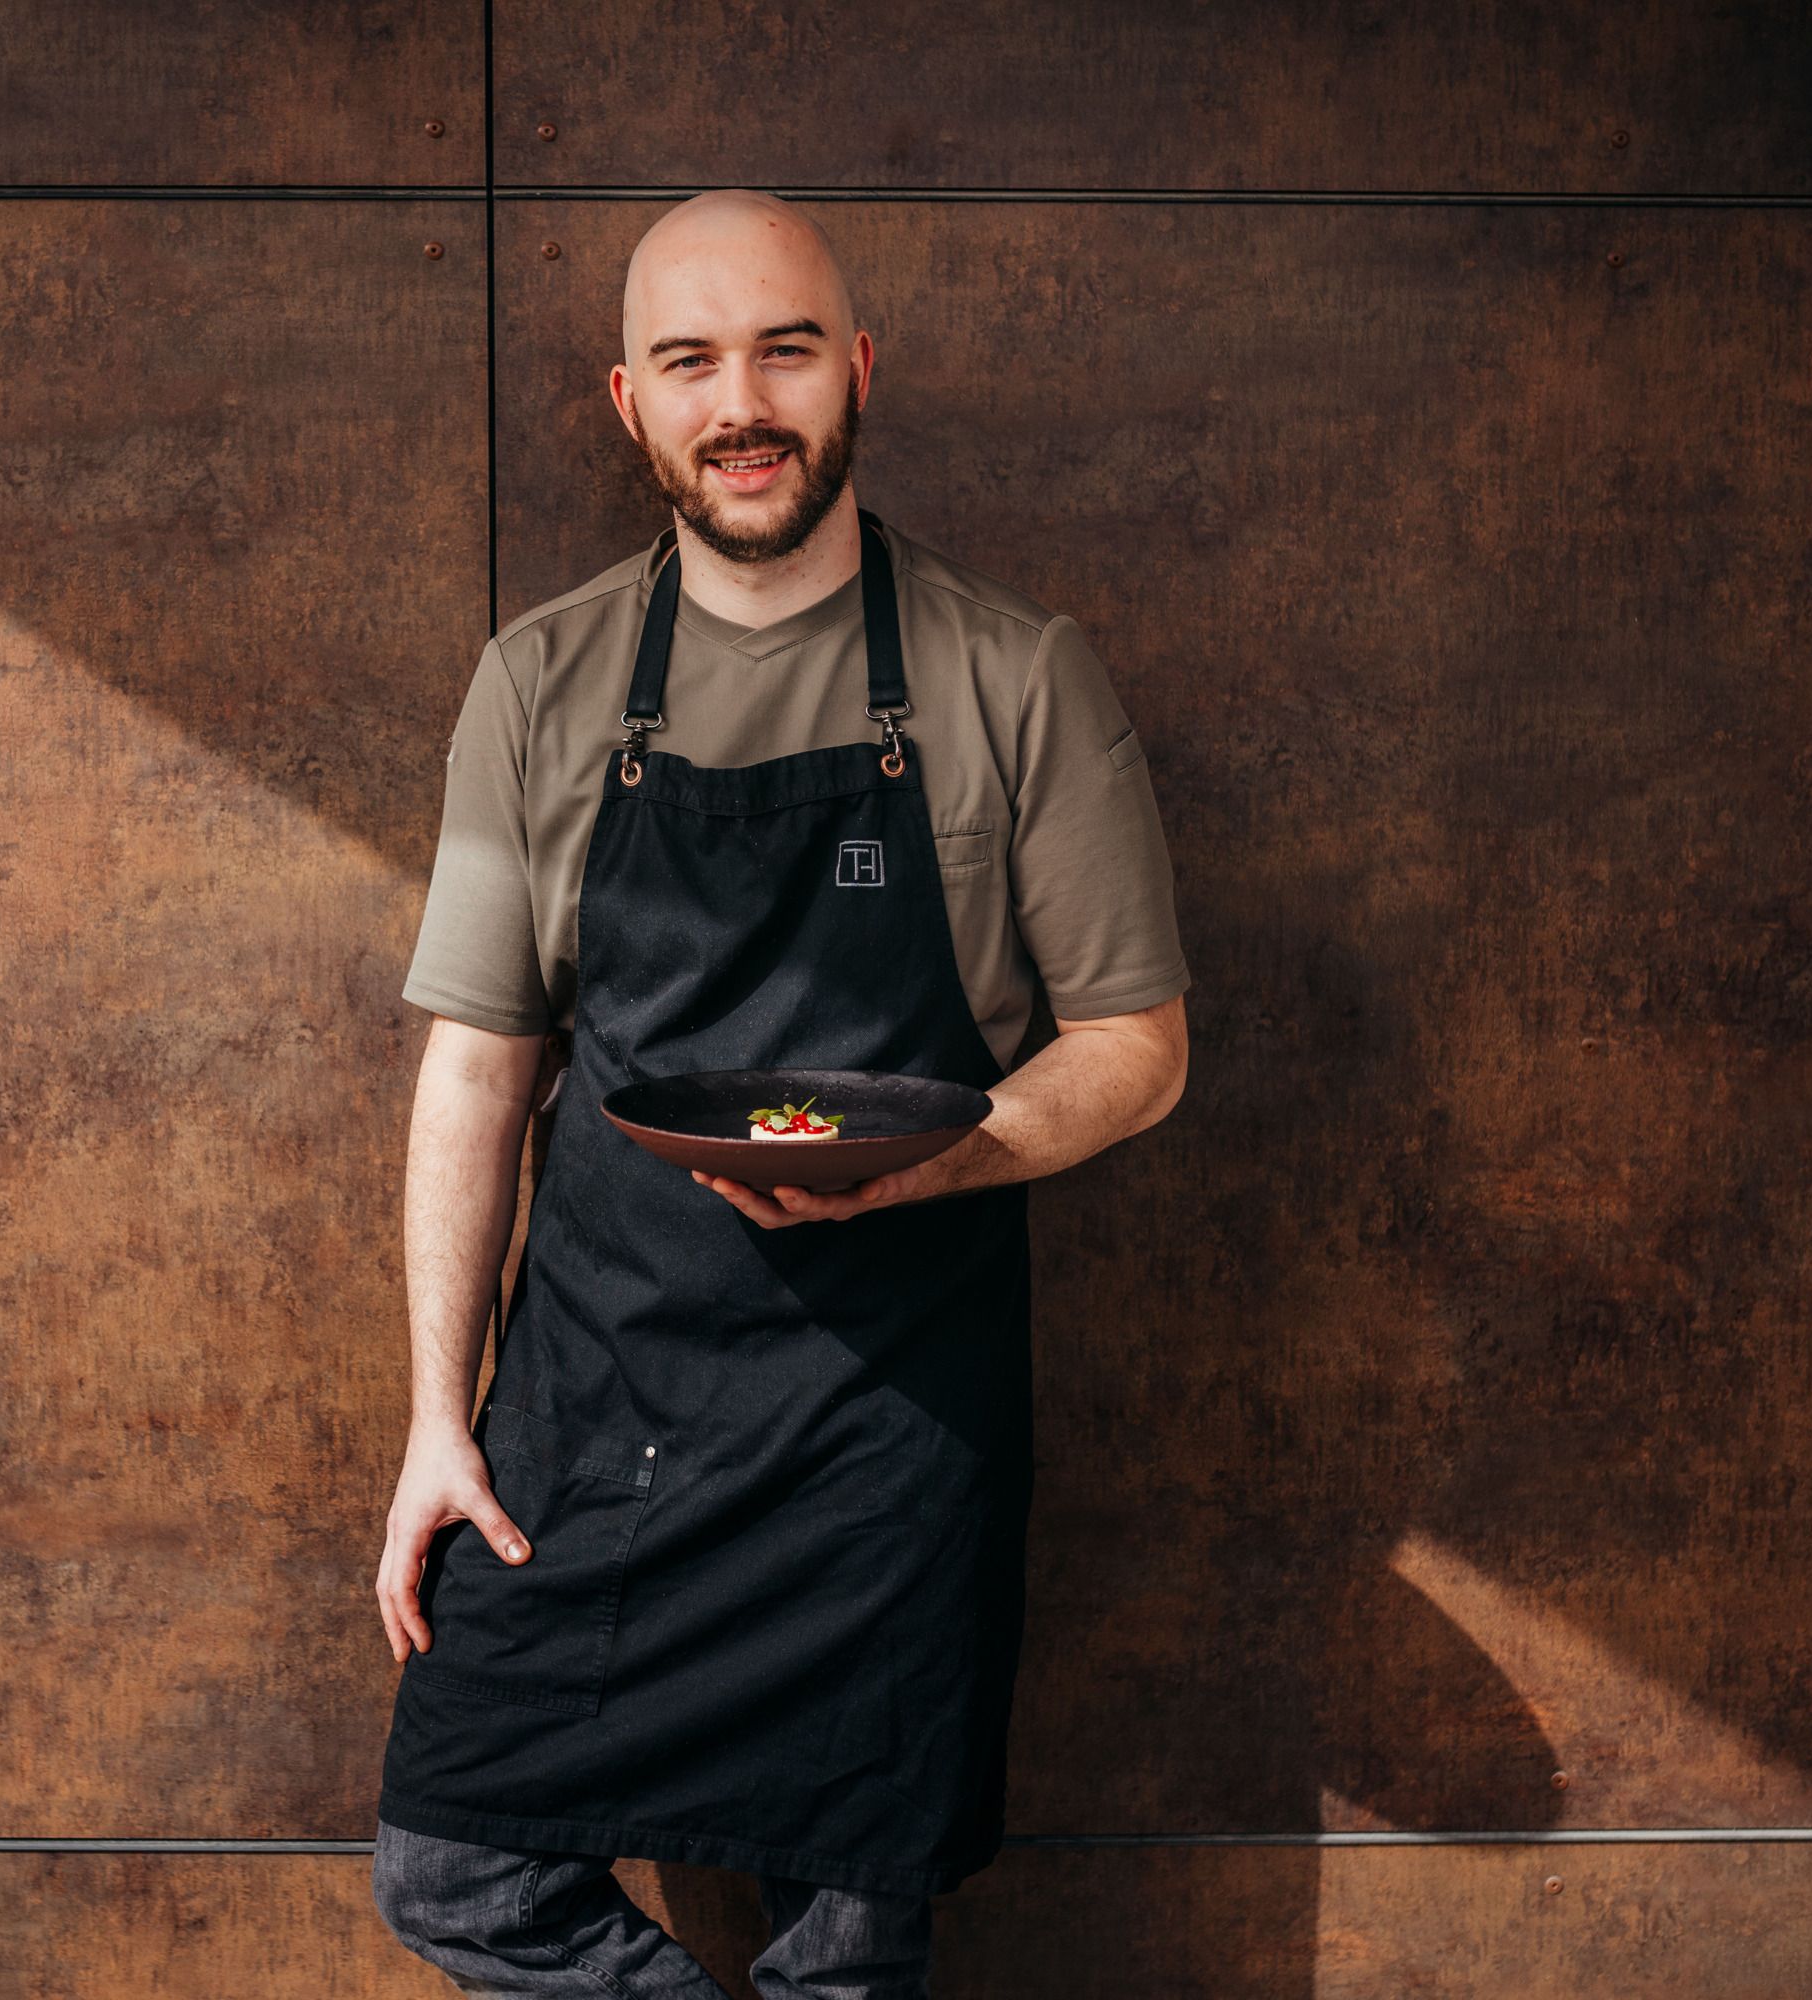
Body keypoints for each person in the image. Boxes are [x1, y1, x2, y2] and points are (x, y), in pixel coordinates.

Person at [368, 187, 1195, 1998]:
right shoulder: (545, 683)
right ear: (630, 404)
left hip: (890, 1436)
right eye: (691, 361)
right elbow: (481, 1064)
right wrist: (442, 1416)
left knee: (844, 1963)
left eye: (784, 349)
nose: (741, 400)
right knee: (453, 1875)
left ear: (857, 372)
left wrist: (949, 1154)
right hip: (600, 1407)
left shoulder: (1012, 674)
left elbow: (1136, 1045)